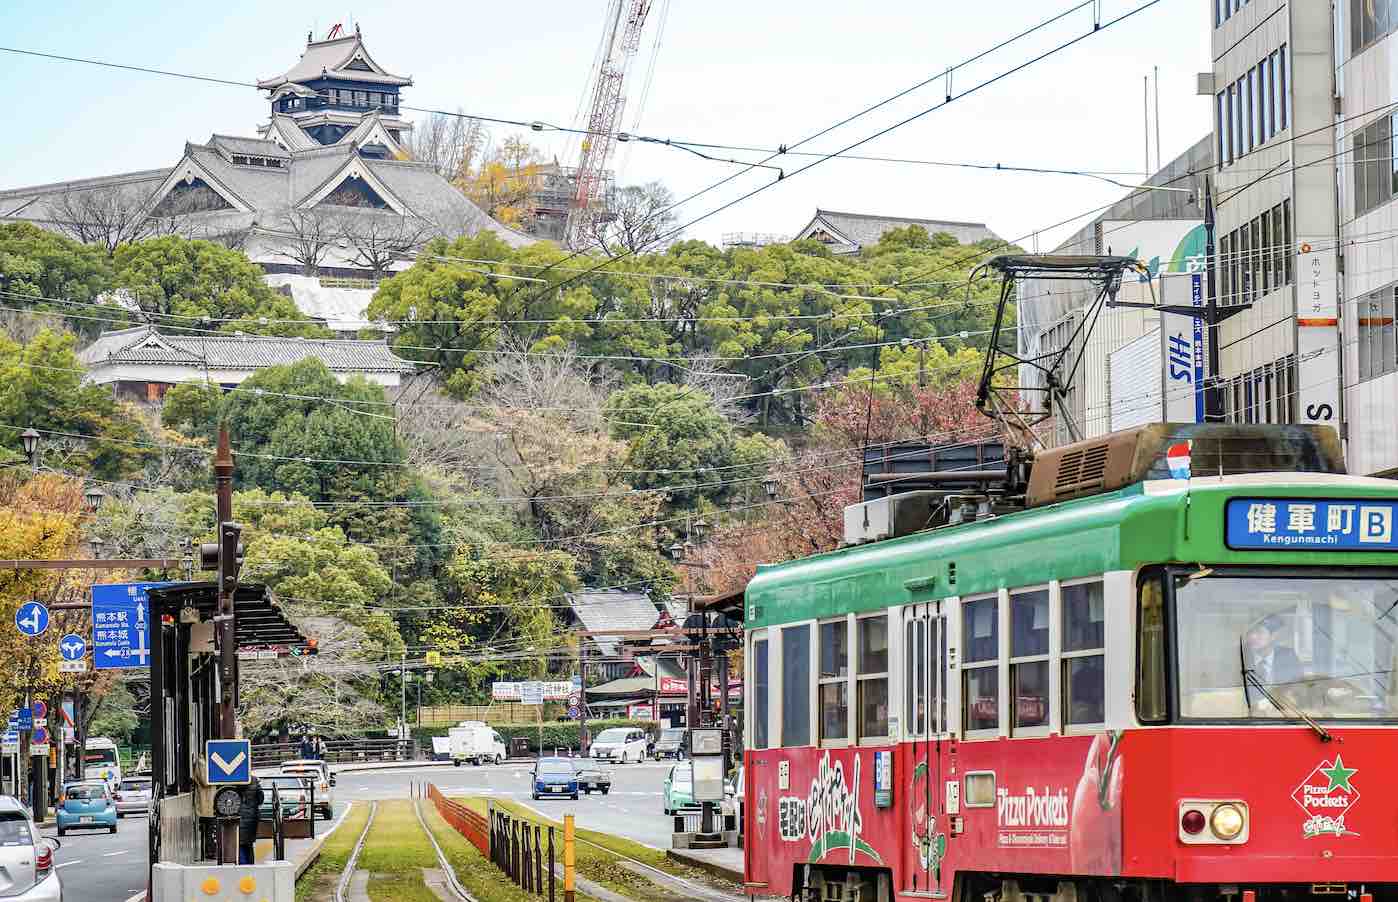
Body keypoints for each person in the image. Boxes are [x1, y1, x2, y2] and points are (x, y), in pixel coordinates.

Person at [1245, 614, 1302, 687]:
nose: (1252, 636)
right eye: (1250, 632)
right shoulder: (1242, 657)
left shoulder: (1288, 657)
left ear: (1273, 636)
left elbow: (1298, 685)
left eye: (1259, 632)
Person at [237, 773, 264, 865]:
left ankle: (243, 866)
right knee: (249, 843)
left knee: (239, 843)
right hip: (252, 817)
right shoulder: (254, 780)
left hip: (238, 816)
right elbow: (261, 799)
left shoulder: (232, 780)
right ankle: (250, 866)